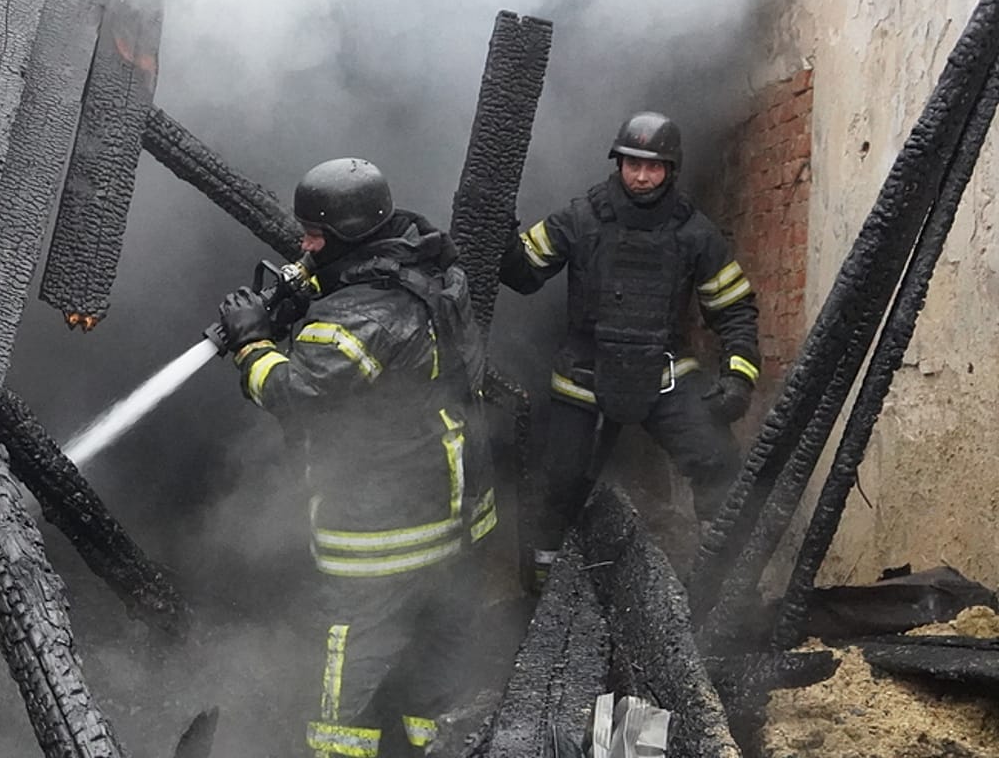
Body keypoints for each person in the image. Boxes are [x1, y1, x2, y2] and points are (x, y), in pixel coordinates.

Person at [216, 157, 494, 758]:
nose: (304, 244)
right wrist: (312, 285)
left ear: (347, 234)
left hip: (378, 525)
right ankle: (418, 747)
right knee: (428, 657)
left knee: (352, 661)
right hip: (450, 503)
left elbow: (298, 395)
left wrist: (252, 344)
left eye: (315, 236)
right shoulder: (429, 269)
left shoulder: (355, 319)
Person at [499, 111, 761, 586]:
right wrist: (496, 226)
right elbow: (521, 276)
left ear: (670, 170)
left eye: (654, 166)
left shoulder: (695, 233)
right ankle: (541, 588)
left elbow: (735, 308)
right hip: (585, 372)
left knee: (717, 461)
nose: (642, 175)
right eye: (633, 163)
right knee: (560, 484)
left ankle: (723, 585)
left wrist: (739, 376)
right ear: (618, 162)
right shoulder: (579, 218)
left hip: (663, 372)